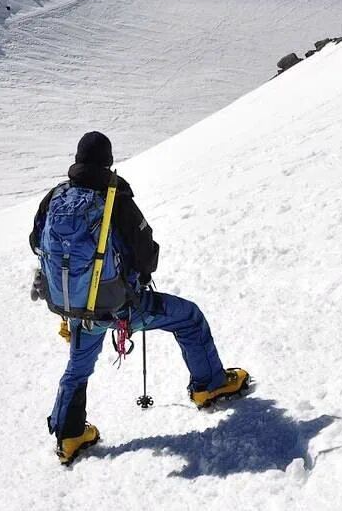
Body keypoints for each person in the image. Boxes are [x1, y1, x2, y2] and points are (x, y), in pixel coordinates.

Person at [30, 132, 249, 465]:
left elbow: (36, 241)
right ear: (108, 161)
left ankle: (70, 435)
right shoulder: (115, 198)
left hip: (76, 310)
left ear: (77, 159)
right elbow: (147, 253)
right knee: (188, 317)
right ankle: (210, 386)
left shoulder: (55, 197)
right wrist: (136, 274)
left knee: (78, 367)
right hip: (121, 308)